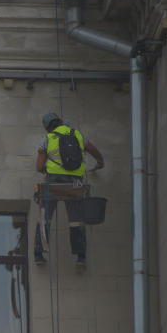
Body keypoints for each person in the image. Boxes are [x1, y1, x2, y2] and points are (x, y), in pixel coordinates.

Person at [33, 112, 105, 269]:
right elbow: (94, 150)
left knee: (45, 218)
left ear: (47, 128)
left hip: (53, 183)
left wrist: (48, 169)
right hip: (75, 184)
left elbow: (39, 167)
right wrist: (100, 162)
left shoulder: (47, 139)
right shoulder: (77, 135)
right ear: (60, 122)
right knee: (76, 220)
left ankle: (39, 254)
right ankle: (80, 257)